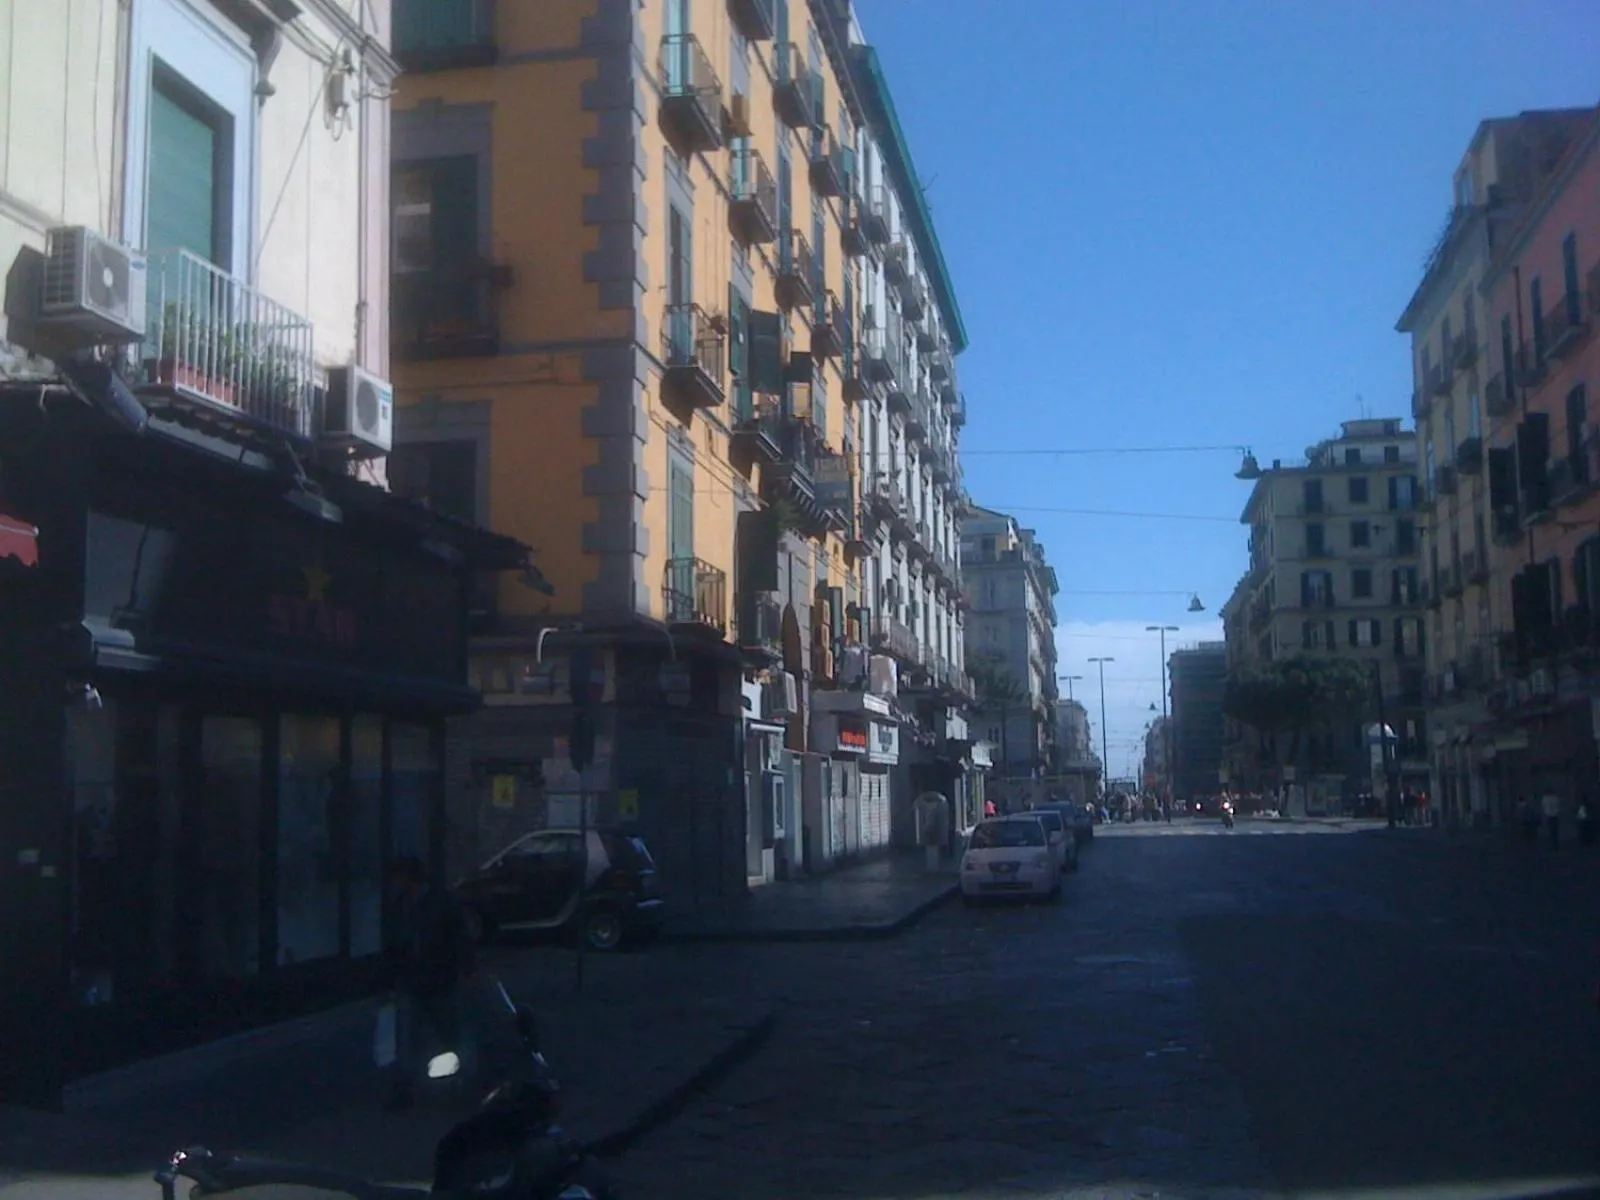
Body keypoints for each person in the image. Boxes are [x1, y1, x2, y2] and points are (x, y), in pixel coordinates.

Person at [384, 855, 478, 1110]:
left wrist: (465, 969)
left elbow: (458, 937)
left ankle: (463, 1085)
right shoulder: (405, 904)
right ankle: (405, 1090)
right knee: (410, 1037)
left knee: (449, 1033)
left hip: (437, 976)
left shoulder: (438, 903)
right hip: (416, 977)